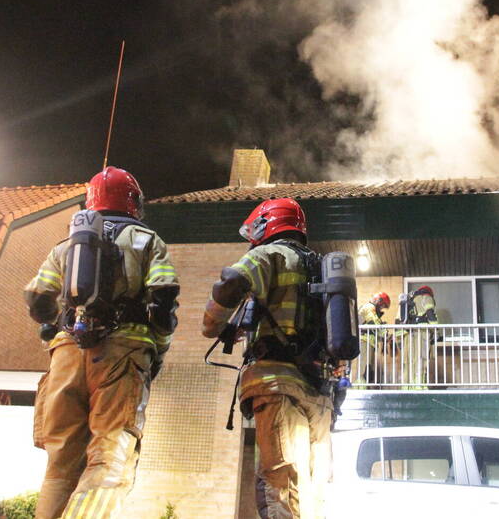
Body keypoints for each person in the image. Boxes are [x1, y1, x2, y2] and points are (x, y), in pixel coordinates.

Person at [24, 167, 179, 519]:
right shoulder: (146, 240)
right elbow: (164, 297)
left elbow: (37, 297)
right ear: (134, 202)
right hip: (122, 355)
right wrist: (159, 347)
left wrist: (54, 329)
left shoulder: (64, 246)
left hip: (66, 356)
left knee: (60, 465)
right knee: (111, 460)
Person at [201, 198, 334, 518]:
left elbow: (231, 282)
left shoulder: (269, 255)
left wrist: (213, 325)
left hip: (277, 383)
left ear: (266, 225)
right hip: (319, 395)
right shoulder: (320, 267)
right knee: (312, 495)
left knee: (279, 486)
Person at [397, 286, 439, 388]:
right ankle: (419, 386)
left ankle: (406, 388)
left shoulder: (407, 302)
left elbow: (398, 321)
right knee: (421, 359)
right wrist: (436, 331)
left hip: (408, 334)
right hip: (422, 332)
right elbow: (430, 314)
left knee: (408, 361)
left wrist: (399, 341)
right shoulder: (426, 298)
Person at [357, 292, 390, 385]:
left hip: (368, 342)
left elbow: (373, 329)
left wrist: (383, 337)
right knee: (364, 367)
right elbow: (374, 322)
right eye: (383, 306)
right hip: (364, 341)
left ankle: (364, 385)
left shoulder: (371, 308)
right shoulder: (369, 307)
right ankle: (360, 386)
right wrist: (385, 334)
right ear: (379, 301)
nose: (381, 308)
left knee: (368, 368)